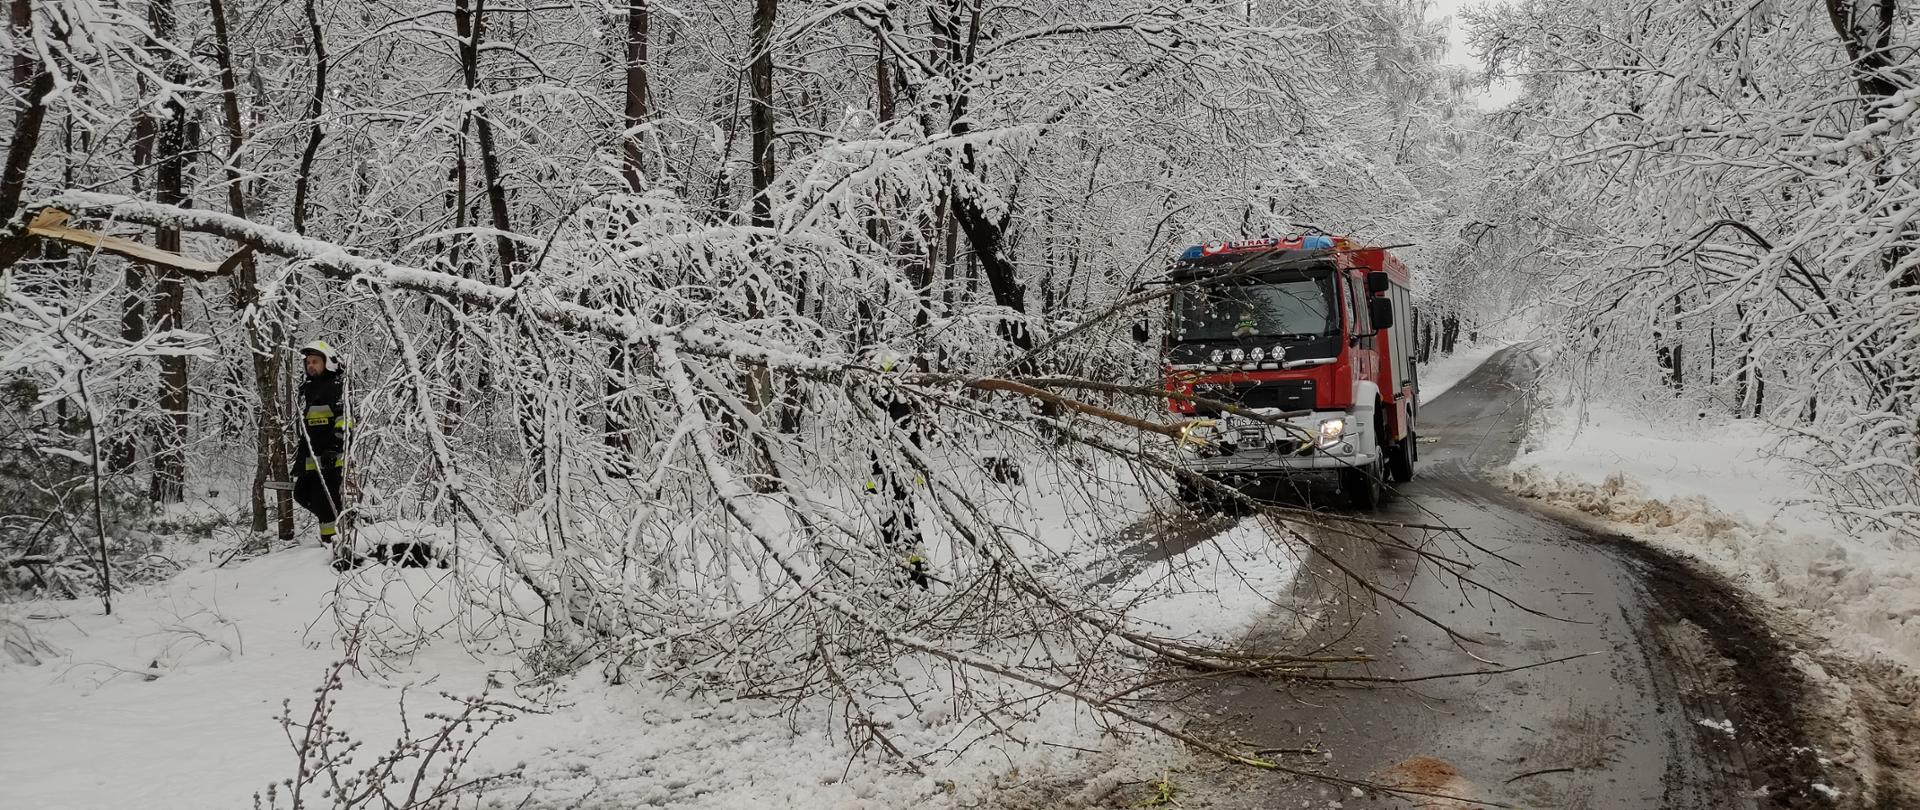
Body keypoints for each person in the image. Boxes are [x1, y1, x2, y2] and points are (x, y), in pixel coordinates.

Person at [292, 339, 356, 570]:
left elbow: (345, 420)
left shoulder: (335, 386)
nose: (310, 365)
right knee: (301, 494)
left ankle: (331, 546)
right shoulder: (309, 388)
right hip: (311, 457)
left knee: (323, 501)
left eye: (315, 361)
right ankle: (343, 519)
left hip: (330, 459)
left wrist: (335, 449)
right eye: (308, 362)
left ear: (327, 362)